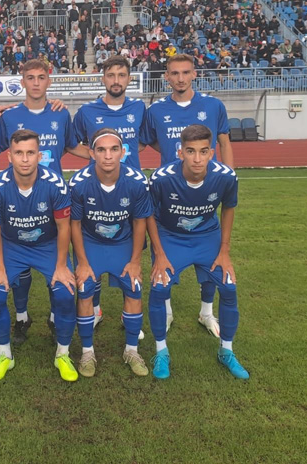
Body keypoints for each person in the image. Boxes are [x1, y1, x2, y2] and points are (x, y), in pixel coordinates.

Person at [0, 60, 88, 342]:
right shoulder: (9, 117)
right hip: (18, 200)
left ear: (49, 81)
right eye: (30, 77)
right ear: (22, 81)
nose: (36, 82)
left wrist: (103, 155)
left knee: (56, 260)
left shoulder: (61, 113)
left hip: (53, 200)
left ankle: (55, 316)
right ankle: (22, 316)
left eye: (41, 77)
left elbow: (71, 146)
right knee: (20, 263)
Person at [141, 53, 234, 338]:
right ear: (166, 77)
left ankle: (206, 311)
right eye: (174, 73)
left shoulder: (213, 106)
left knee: (211, 252)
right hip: (171, 193)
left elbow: (224, 141)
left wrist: (229, 176)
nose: (180, 78)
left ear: (194, 74)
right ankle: (167, 311)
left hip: (205, 188)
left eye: (185, 72)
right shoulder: (156, 110)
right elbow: (149, 140)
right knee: (165, 255)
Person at [148, 124, 248, 380]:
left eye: (203, 152)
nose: (197, 159)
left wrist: (224, 250)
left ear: (211, 153)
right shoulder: (161, 178)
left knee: (229, 287)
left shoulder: (226, 176)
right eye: (190, 151)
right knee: (158, 288)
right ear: (180, 152)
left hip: (207, 237)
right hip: (171, 237)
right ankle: (161, 351)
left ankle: (226, 351)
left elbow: (228, 208)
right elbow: (148, 215)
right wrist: (159, 254)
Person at [0, 129, 77, 382]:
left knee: (65, 294)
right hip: (12, 246)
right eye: (19, 153)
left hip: (47, 245)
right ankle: (5, 355)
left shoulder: (55, 184)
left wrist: (61, 265)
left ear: (39, 156)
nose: (25, 159)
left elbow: (64, 227)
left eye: (30, 153)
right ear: (9, 156)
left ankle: (63, 354)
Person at [70, 128, 161, 377]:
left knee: (134, 286)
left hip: (122, 242)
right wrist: (82, 262)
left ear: (123, 152)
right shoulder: (78, 183)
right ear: (92, 153)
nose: (108, 156)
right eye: (101, 150)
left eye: (113, 149)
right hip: (92, 243)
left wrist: (135, 261)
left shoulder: (136, 181)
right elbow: (74, 224)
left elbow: (140, 222)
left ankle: (131, 350)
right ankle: (87, 352)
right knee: (84, 288)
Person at [72, 55, 148, 327]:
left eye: (122, 75)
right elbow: (71, 143)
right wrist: (99, 159)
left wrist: (122, 158)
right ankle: (94, 309)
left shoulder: (139, 108)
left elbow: (143, 141)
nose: (116, 80)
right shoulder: (87, 111)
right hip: (98, 190)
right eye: (111, 75)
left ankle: (131, 312)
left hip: (130, 192)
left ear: (129, 79)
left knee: (131, 251)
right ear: (103, 78)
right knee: (93, 243)